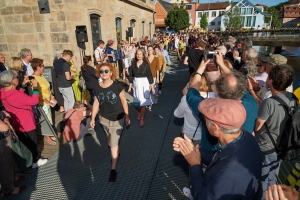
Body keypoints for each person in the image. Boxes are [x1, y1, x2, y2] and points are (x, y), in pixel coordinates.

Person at [173, 98, 263, 199]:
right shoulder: (246, 137)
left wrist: (194, 164)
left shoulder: (228, 176)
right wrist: (194, 151)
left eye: (205, 120)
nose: (204, 122)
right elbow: (220, 156)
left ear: (215, 128)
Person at [186, 53, 258, 150]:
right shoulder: (251, 104)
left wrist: (200, 69)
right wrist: (222, 64)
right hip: (242, 153)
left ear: (217, 91)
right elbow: (239, 84)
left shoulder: (209, 110)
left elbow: (192, 92)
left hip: (211, 158)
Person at [254, 64, 295, 192]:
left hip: (266, 147)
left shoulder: (269, 102)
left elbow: (257, 127)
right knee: (271, 177)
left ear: (271, 81)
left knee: (262, 179)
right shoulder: (292, 98)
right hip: (282, 146)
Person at [90, 63, 130, 182]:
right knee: (110, 141)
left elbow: (124, 101)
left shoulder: (117, 86)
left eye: (106, 71)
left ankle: (113, 169)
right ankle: (115, 152)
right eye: (101, 71)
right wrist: (92, 118)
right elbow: (96, 103)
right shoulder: (97, 87)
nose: (104, 73)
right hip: (103, 119)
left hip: (117, 119)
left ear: (111, 72)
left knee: (113, 144)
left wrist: (127, 116)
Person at [0, 70, 48, 168]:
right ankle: (35, 161)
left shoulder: (2, 92)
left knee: (25, 142)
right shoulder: (15, 94)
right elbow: (34, 101)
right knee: (32, 142)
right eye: (16, 77)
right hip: (26, 121)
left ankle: (27, 161)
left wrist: (22, 85)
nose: (18, 78)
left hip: (16, 121)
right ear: (11, 81)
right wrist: (35, 87)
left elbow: (18, 97)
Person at [175, 75, 216, 146]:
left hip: (188, 135)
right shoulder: (213, 96)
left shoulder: (186, 98)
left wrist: (187, 90)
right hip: (206, 135)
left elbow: (177, 114)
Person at [0, 110, 26, 197]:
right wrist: (6, 120)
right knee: (5, 164)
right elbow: (4, 127)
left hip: (4, 138)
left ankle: (13, 179)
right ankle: (9, 189)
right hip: (2, 139)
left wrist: (5, 117)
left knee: (10, 161)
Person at [31, 58, 57, 145]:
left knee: (49, 119)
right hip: (42, 103)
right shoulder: (34, 79)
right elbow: (38, 94)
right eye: (42, 66)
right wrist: (48, 102)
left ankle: (49, 134)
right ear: (37, 67)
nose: (44, 67)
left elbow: (47, 88)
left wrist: (51, 96)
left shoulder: (41, 76)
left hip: (47, 101)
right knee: (46, 120)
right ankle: (47, 137)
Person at [128, 49, 154, 127]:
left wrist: (152, 87)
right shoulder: (133, 64)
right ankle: (139, 111)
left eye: (140, 54)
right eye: (137, 54)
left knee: (143, 103)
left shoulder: (146, 65)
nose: (139, 55)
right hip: (136, 84)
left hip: (144, 84)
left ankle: (142, 119)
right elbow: (131, 76)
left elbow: (150, 76)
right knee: (136, 104)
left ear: (143, 55)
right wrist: (130, 87)